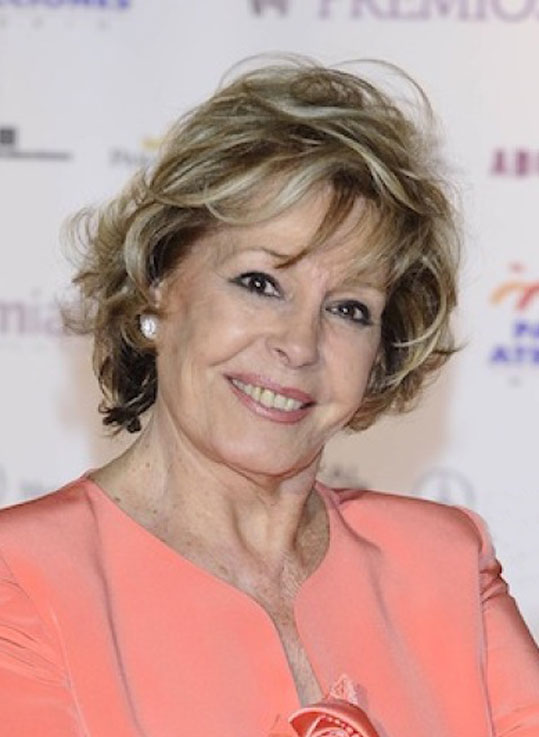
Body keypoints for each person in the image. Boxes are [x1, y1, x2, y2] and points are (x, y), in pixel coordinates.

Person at [0, 57, 538, 737]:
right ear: (157, 288)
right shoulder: (22, 579)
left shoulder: (445, 563)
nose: (299, 343)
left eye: (348, 308)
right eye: (260, 283)